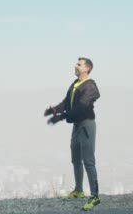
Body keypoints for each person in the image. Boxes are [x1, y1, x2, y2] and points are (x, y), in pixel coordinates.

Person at [44, 57, 101, 211]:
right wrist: (53, 110)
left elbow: (80, 108)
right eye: (77, 64)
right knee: (76, 158)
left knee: (88, 161)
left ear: (86, 69)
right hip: (76, 126)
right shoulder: (75, 84)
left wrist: (60, 117)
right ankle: (78, 191)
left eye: (79, 64)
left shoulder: (90, 86)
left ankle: (95, 197)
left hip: (86, 125)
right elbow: (66, 103)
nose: (75, 66)